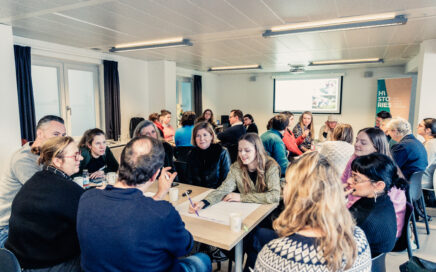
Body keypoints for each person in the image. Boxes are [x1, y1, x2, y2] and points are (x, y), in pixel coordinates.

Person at [77, 136, 211, 272]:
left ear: (121, 162)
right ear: (155, 175)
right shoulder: (162, 213)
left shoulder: (87, 198)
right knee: (202, 259)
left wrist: (159, 195)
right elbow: (185, 246)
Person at [254, 152, 371, 272]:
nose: (284, 188)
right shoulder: (358, 240)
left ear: (296, 194)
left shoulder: (275, 256)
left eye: (287, 183)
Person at [5, 136, 84, 271]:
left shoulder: (34, 181)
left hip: (19, 262)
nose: (81, 159)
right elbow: (90, 225)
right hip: (46, 265)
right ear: (57, 161)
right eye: (75, 156)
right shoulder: (69, 190)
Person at [0, 115, 66, 247]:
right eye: (56, 134)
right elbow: (45, 194)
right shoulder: (23, 159)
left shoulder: (46, 156)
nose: (60, 139)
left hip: (30, 221)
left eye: (63, 135)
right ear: (40, 134)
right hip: (8, 229)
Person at [189, 133, 280, 211]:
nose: (242, 154)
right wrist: (204, 202)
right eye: (240, 150)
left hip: (266, 213)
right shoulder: (236, 167)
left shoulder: (270, 167)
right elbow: (224, 189)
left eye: (247, 150)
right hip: (247, 211)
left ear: (257, 151)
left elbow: (274, 196)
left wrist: (241, 197)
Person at [342, 127, 406, 238]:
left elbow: (363, 209)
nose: (356, 144)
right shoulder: (356, 159)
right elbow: (343, 181)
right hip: (360, 216)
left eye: (363, 143)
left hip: (378, 230)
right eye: (356, 140)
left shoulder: (383, 170)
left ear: (376, 148)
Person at [346, 153, 408, 257]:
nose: (349, 181)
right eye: (351, 175)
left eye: (356, 179)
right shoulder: (381, 200)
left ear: (379, 185)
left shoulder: (368, 221)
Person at [186, 122, 231, 189]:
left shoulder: (222, 152)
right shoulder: (192, 153)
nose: (201, 139)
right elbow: (189, 179)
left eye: (205, 135)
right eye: (198, 136)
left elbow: (226, 180)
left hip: (216, 193)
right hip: (197, 192)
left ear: (211, 136)